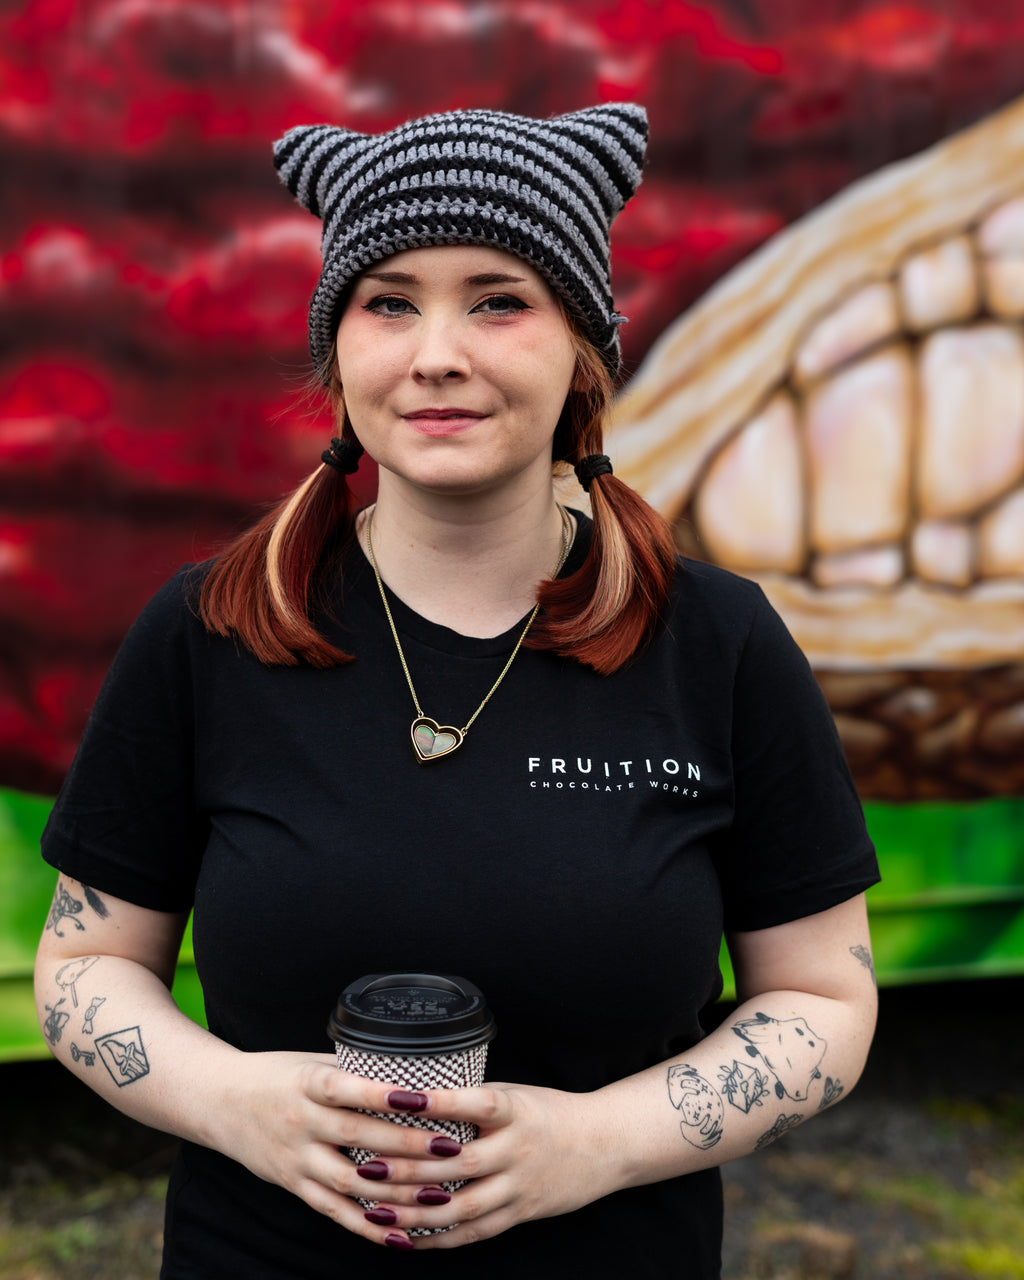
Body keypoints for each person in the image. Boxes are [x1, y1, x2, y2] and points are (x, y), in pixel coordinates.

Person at [35, 104, 880, 1278]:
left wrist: (599, 1140)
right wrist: (234, 1099)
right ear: (339, 353)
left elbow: (825, 998)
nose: (437, 350)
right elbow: (84, 969)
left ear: (581, 351)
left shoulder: (715, 642)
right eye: (389, 300)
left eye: (498, 298)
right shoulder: (210, 630)